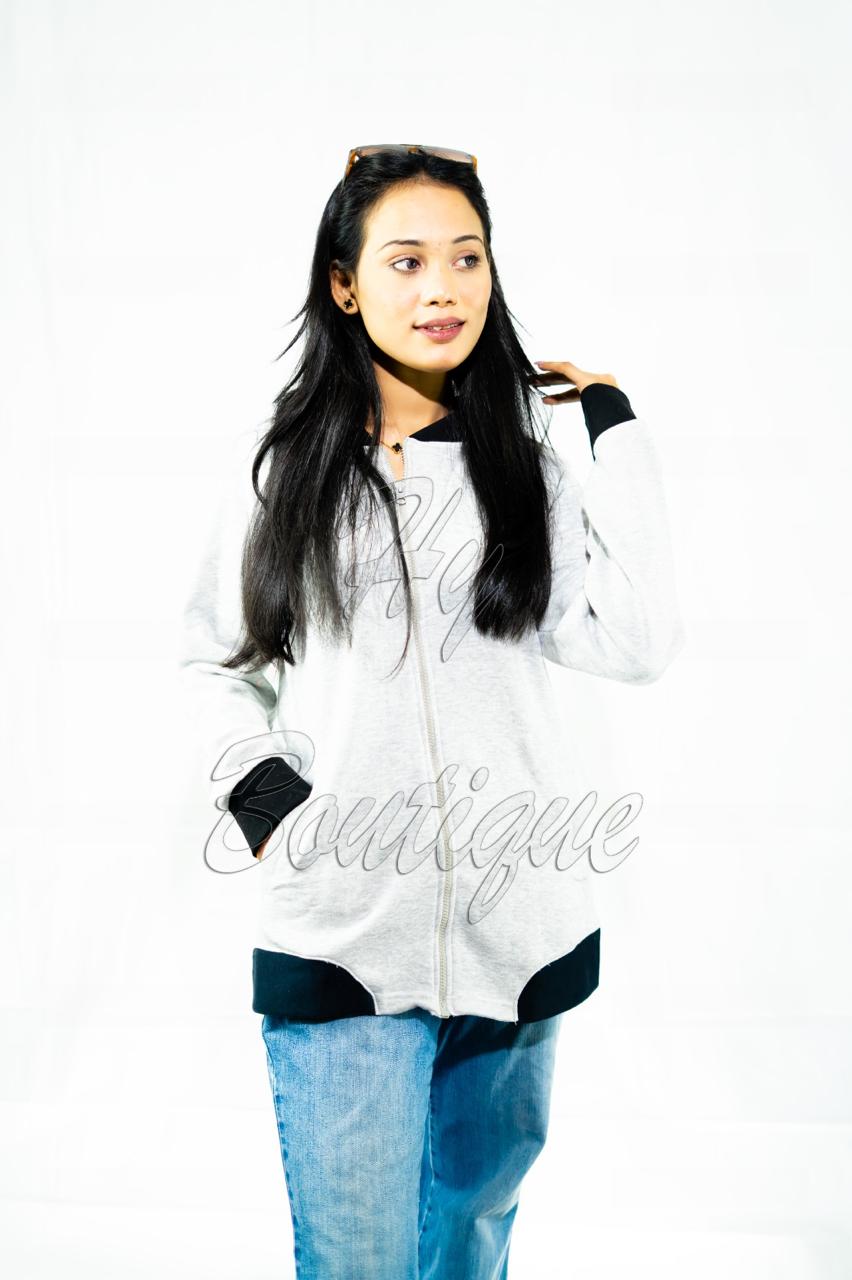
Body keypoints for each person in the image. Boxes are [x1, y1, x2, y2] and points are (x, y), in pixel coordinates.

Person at [178, 143, 685, 1279]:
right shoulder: (284, 472)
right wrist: (272, 805)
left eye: (467, 257)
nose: (443, 288)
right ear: (345, 285)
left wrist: (613, 427)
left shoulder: (527, 475)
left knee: (470, 1244)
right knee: (358, 1260)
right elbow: (214, 660)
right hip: (345, 935)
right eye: (406, 262)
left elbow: (638, 639)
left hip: (522, 934)